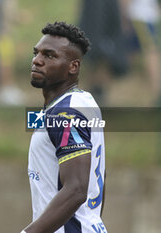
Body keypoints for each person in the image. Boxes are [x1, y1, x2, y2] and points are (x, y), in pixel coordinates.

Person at [21, 22, 107, 233]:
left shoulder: (66, 113)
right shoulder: (83, 101)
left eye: (49, 56)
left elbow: (77, 189)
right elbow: (96, 181)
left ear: (73, 67)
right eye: (36, 52)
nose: (37, 60)